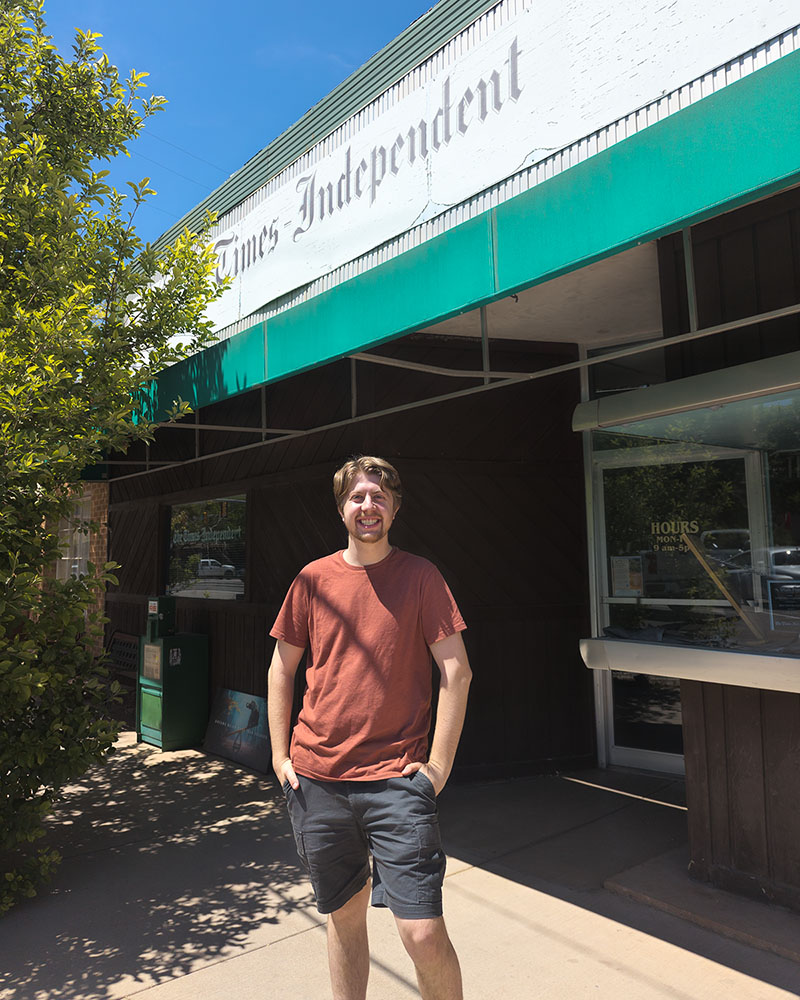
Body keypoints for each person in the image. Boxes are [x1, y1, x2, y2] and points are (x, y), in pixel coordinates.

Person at [267, 455, 472, 1000]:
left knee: (423, 932)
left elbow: (457, 670)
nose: (368, 507)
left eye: (379, 497)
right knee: (344, 917)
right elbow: (281, 668)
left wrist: (437, 769)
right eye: (357, 497)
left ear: (395, 507)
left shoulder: (421, 576)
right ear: (341, 509)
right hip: (318, 780)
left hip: (397, 783)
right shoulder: (312, 579)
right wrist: (279, 758)